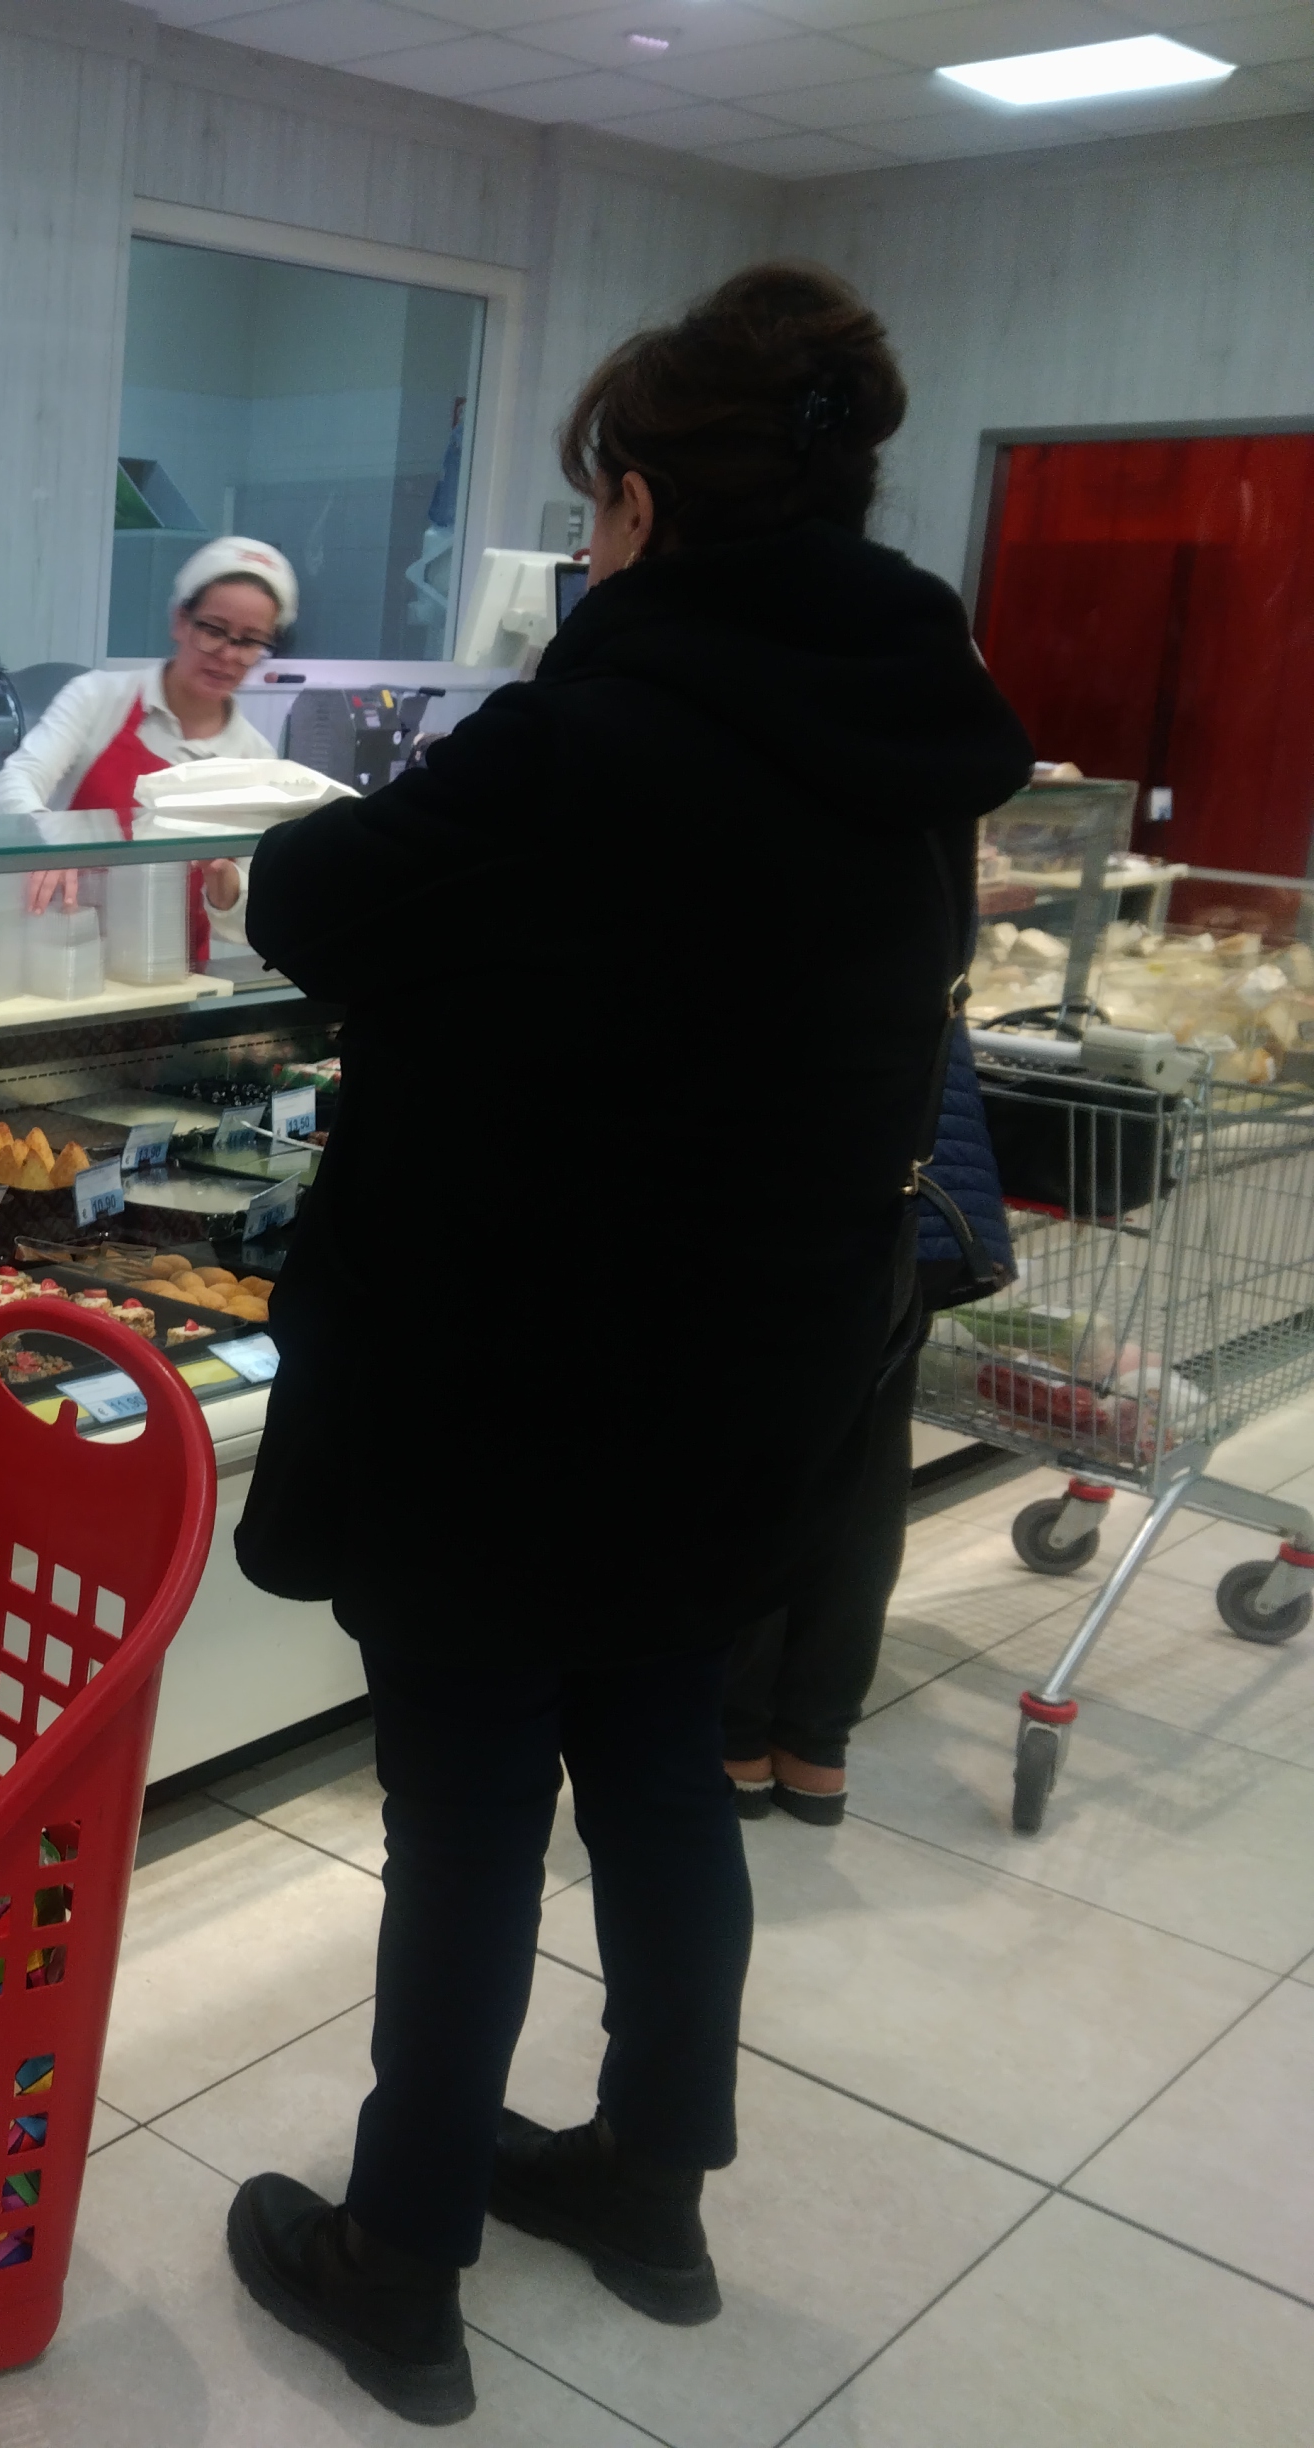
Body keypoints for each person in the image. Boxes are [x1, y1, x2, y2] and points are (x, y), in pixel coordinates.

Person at [219, 263, 1033, 2427]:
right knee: (664, 1763)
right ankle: (650, 2187)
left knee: (469, 1806)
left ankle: (400, 2258)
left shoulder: (589, 728)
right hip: (746, 1372)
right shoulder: (910, 748)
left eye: (593, 510)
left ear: (643, 509)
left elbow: (306, 907)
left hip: (503, 1370)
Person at [724, 1026, 1016, 1822]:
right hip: (905, 1193)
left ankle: (735, 1737)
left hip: (781, 1189)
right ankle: (815, 1745)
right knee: (861, 1469)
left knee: (754, 1464)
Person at [0, 536, 298, 953]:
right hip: (61, 955)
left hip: (171, 974)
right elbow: (13, 783)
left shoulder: (256, 760)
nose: (227, 654)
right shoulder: (98, 698)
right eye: (213, 630)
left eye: (250, 641)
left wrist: (226, 883)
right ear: (180, 621)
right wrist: (49, 845)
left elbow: (245, 919)